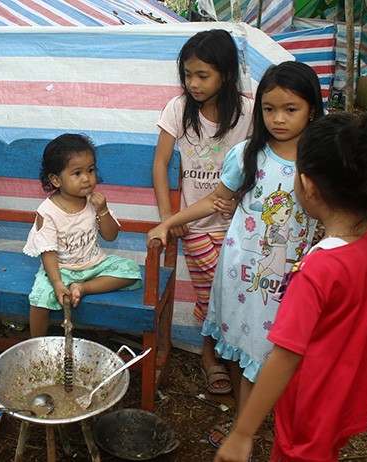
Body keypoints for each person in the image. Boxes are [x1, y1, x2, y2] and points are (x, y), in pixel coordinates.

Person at [147, 61, 323, 446]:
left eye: (290, 109)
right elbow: (216, 200)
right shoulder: (248, 154)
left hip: (294, 276)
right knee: (247, 352)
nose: (278, 119)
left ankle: (258, 425)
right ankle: (243, 426)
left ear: (312, 109)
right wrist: (168, 220)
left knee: (279, 351)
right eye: (269, 109)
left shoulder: (321, 160)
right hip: (243, 272)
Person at [215, 114, 367, 462]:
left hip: (312, 402)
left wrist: (243, 432)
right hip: (349, 386)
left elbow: (285, 355)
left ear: (308, 186)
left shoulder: (315, 270)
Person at [152, 29, 253, 396]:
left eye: (202, 75)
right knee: (213, 293)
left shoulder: (249, 113)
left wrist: (240, 196)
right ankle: (211, 355)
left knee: (236, 290)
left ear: (225, 74)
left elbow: (257, 165)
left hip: (238, 224)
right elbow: (160, 164)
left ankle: (228, 352)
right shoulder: (178, 109)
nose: (192, 83)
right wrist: (168, 217)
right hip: (192, 225)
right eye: (187, 75)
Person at [24, 134, 142, 337]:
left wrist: (103, 211)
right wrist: (58, 284)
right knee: (39, 298)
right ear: (56, 180)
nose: (87, 178)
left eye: (90, 170)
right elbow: (48, 253)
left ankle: (84, 287)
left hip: (95, 264)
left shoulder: (93, 202)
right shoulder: (48, 211)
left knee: (131, 271)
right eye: (77, 173)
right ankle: (37, 345)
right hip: (61, 269)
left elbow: (110, 236)